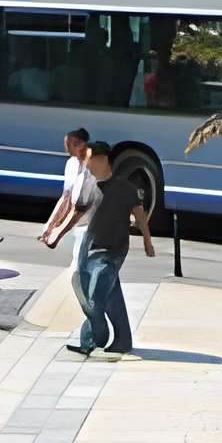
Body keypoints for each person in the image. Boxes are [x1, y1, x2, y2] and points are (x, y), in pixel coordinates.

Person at [72, 154, 152, 358]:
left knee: (95, 297)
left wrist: (147, 241)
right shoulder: (90, 185)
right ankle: (122, 339)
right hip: (90, 245)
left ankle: (93, 339)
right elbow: (75, 212)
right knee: (108, 293)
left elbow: (140, 216)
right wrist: (56, 230)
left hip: (111, 251)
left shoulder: (126, 189)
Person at [42, 127, 101, 338]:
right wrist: (51, 225)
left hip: (92, 230)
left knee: (79, 274)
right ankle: (94, 321)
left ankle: (95, 322)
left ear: (81, 145)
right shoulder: (72, 165)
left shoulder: (91, 171)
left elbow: (78, 209)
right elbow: (67, 198)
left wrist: (57, 233)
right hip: (81, 229)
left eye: (69, 145)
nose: (65, 149)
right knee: (80, 276)